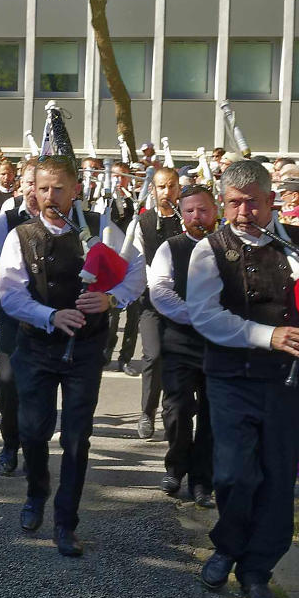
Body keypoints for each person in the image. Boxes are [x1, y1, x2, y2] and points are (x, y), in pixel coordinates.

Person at [188, 159, 299, 598]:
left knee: (279, 477)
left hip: (286, 380)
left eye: (253, 203)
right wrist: (270, 335)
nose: (244, 213)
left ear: (271, 201)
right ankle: (227, 547)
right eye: (235, 203)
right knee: (234, 473)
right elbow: (205, 315)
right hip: (231, 377)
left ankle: (258, 569)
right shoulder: (209, 249)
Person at [0, 153, 145, 557]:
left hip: (84, 349)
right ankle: (35, 492)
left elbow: (137, 269)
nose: (50, 196)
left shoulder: (99, 229)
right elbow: (10, 294)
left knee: (78, 439)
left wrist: (112, 299)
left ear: (76, 190)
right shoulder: (21, 235)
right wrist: (49, 315)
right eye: (43, 188)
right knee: (32, 430)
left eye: (58, 189)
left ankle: (66, 522)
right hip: (36, 346)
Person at [145, 183, 219, 505]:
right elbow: (160, 291)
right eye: (189, 210)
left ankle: (203, 480)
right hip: (181, 339)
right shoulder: (169, 247)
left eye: (202, 209)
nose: (196, 216)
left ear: (215, 211)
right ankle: (175, 466)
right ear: (181, 213)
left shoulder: (225, 245)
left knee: (211, 412)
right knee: (176, 409)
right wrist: (197, 315)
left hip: (219, 342)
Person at [123, 165, 188, 441]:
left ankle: (171, 413)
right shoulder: (142, 222)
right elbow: (136, 262)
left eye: (172, 186)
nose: (167, 192)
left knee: (179, 358)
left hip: (183, 302)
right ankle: (146, 413)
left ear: (179, 189)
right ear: (153, 189)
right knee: (153, 354)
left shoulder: (186, 220)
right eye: (161, 186)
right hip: (150, 301)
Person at [0, 159, 39, 475]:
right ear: (20, 184)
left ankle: (35, 447)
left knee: (40, 385)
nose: (35, 190)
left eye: (41, 184)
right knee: (7, 380)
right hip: (14, 310)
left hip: (51, 315)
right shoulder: (6, 220)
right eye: (29, 183)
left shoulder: (63, 220)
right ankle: (10, 443)